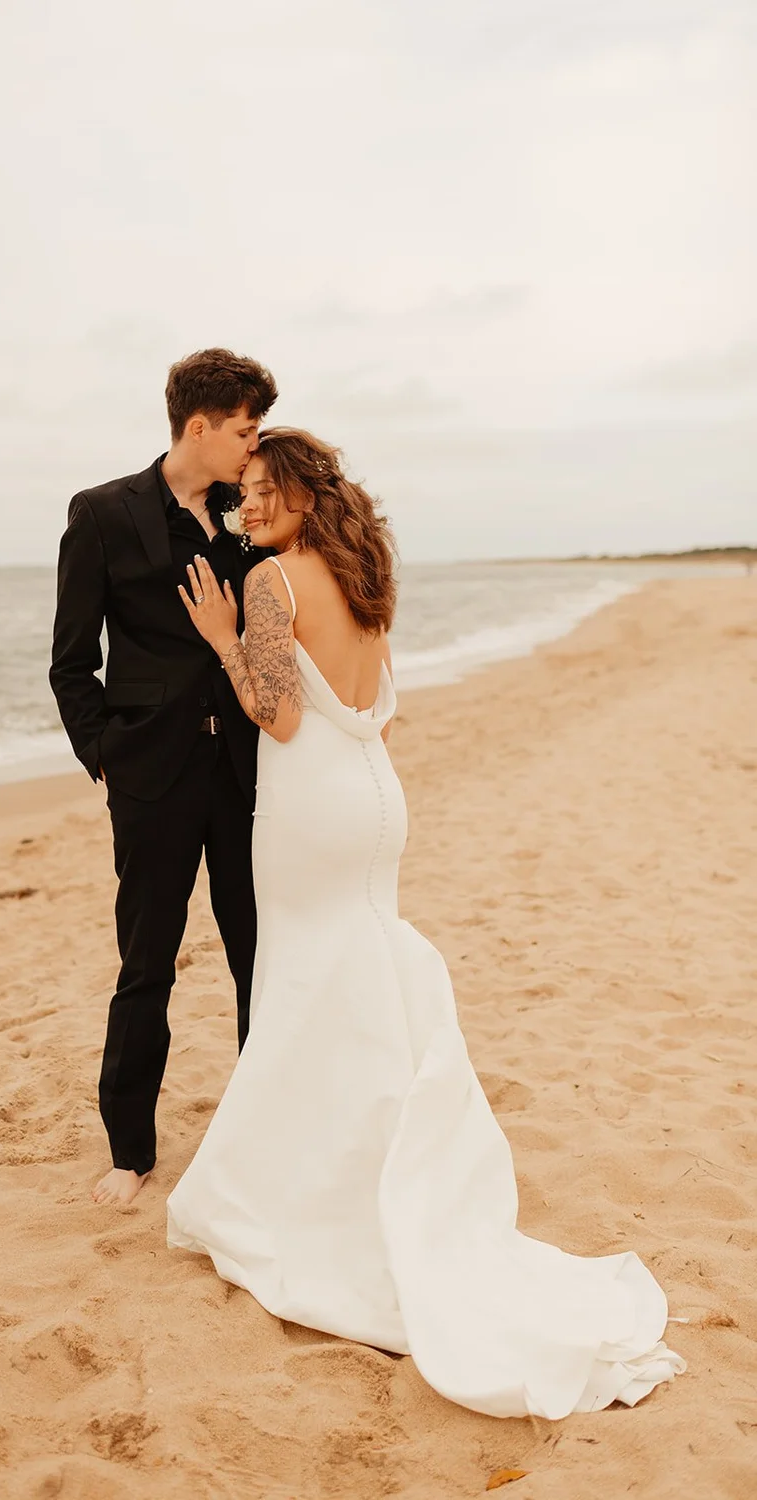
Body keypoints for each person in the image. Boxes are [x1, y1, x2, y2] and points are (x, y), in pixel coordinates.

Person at [166, 427, 686, 1420]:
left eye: (267, 492)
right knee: (346, 980)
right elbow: (380, 715)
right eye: (243, 496)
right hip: (374, 798)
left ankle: (314, 1191)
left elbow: (275, 715)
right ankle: (359, 1160)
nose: (250, 510)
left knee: (305, 988)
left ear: (308, 496)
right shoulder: (365, 585)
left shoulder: (274, 582)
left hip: (311, 810)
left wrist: (223, 638)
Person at [49, 348, 278, 1206]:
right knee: (147, 963)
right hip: (152, 776)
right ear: (199, 426)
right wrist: (105, 754)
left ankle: (265, 1125)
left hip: (248, 773)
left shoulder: (247, 516)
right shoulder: (104, 513)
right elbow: (72, 664)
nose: (252, 451)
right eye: (244, 432)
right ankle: (130, 1150)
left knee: (261, 956)